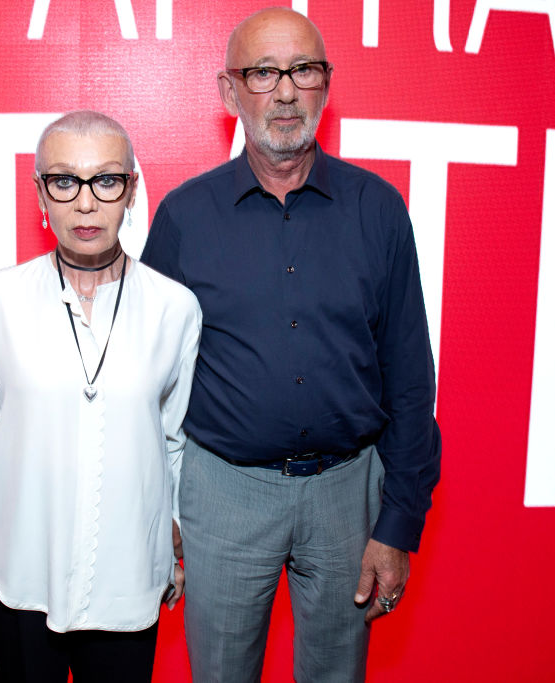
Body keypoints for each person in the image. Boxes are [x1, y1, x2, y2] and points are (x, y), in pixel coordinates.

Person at [141, 7, 441, 682]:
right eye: (262, 72)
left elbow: (411, 377)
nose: (283, 91)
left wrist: (398, 522)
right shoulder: (184, 218)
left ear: (326, 85)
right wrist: (155, 508)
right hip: (223, 494)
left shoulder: (379, 210)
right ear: (229, 92)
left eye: (302, 70)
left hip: (346, 492)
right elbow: (146, 382)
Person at [0, 110, 201, 682]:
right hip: (19, 576)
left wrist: (173, 546)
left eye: (106, 180)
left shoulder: (174, 308)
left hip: (128, 575)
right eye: (65, 181)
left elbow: (175, 441)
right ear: (40, 192)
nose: (86, 203)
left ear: (131, 190)